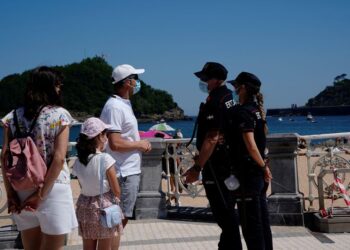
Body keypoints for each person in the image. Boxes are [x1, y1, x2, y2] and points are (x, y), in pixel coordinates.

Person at [0, 66, 78, 250]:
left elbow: (5, 156)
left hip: (21, 189)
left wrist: (10, 194)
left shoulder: (13, 116)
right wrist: (40, 195)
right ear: (50, 87)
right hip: (52, 189)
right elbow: (59, 158)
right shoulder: (60, 114)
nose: (60, 89)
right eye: (58, 85)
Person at [183, 62, 242, 249]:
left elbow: (212, 137)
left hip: (217, 166)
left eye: (205, 79)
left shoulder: (217, 100)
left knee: (223, 212)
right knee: (227, 212)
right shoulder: (230, 97)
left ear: (215, 80)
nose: (204, 83)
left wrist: (197, 167)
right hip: (228, 162)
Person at [100, 64, 151, 249]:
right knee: (117, 220)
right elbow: (115, 143)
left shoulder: (122, 104)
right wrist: (140, 143)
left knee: (119, 221)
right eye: (135, 78)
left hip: (127, 170)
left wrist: (137, 137)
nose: (138, 82)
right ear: (127, 82)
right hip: (123, 172)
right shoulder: (115, 107)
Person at [227, 72, 273, 249]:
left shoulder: (244, 112)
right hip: (257, 175)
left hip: (248, 174)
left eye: (236, 87)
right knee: (261, 222)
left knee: (251, 226)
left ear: (243, 88)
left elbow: (251, 146)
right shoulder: (257, 111)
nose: (234, 90)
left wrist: (263, 167)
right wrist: (264, 167)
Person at [73, 117, 121, 250]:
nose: (106, 138)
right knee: (105, 245)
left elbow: (83, 185)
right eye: (105, 134)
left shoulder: (78, 161)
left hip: (85, 206)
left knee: (88, 246)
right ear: (99, 136)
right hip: (104, 206)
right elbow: (116, 190)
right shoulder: (105, 159)